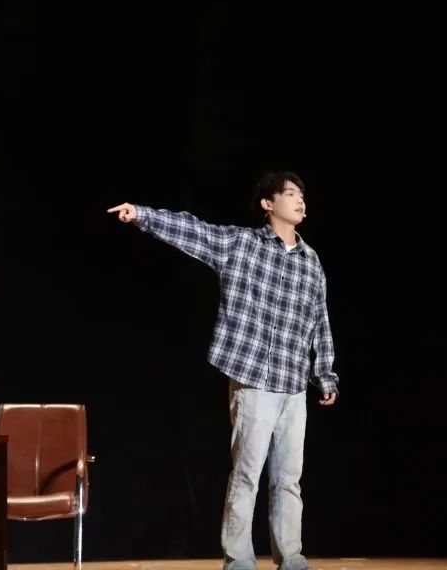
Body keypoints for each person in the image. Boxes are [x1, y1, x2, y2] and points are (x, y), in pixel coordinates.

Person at [108, 171, 338, 570]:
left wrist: (325, 374)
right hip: (254, 378)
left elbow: (320, 321)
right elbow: (193, 231)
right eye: (290, 194)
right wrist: (142, 214)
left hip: (294, 384)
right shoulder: (242, 245)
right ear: (268, 204)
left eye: (302, 194)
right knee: (247, 474)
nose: (300, 200)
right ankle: (239, 561)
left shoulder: (310, 260)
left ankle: (291, 558)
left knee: (288, 480)